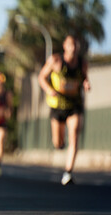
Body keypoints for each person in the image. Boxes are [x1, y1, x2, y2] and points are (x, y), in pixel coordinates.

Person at [38, 35, 90, 185]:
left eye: (76, 45)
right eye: (70, 45)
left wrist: (86, 83)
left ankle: (68, 172)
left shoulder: (82, 63)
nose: (73, 48)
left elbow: (85, 77)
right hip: (57, 105)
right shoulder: (56, 61)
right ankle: (60, 143)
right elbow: (42, 77)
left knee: (74, 133)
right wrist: (48, 89)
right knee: (58, 143)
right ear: (65, 46)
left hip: (74, 104)